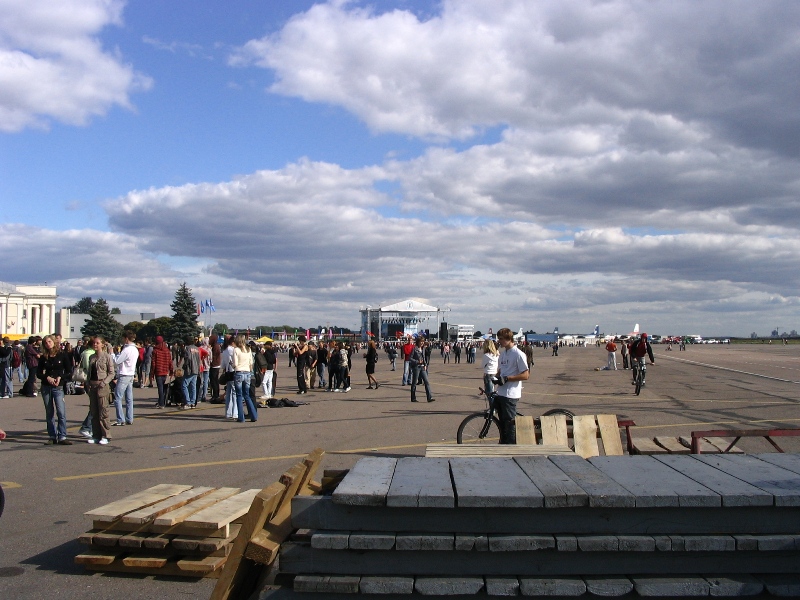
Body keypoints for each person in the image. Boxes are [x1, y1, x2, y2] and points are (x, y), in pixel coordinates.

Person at [492, 328, 530, 444]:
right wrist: (495, 378)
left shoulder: (518, 354)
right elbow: (501, 371)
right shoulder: (503, 354)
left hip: (511, 394)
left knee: (510, 425)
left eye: (501, 339)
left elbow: (525, 375)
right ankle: (504, 444)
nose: (499, 341)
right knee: (503, 425)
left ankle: (511, 447)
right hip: (501, 392)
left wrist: (508, 378)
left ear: (509, 339)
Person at [37, 335, 72, 445]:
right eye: (46, 342)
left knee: (61, 412)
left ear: (54, 342)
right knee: (49, 412)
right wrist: (46, 377)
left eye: (49, 341)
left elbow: (69, 371)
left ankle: (62, 436)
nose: (48, 344)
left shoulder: (62, 355)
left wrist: (60, 377)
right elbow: (38, 373)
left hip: (58, 387)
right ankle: (52, 436)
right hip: (46, 386)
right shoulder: (43, 357)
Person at [86, 336, 115, 445]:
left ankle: (106, 435)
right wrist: (88, 383)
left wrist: (104, 382)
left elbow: (111, 373)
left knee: (103, 412)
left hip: (102, 386)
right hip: (92, 386)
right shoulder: (92, 357)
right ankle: (96, 435)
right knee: (94, 412)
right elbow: (89, 372)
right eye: (94, 343)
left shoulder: (107, 357)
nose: (95, 344)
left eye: (97, 343)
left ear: (102, 344)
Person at [113, 331, 138, 425]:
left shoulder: (127, 350)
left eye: (123, 338)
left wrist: (113, 353)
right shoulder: (135, 349)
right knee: (129, 398)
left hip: (124, 374)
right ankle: (129, 418)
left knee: (117, 397)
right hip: (131, 374)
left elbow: (117, 361)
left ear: (126, 338)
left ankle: (120, 419)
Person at [233, 334, 257, 422]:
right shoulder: (248, 349)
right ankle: (254, 415)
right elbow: (251, 362)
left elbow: (235, 364)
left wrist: (232, 365)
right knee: (247, 395)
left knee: (239, 395)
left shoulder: (236, 350)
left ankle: (241, 417)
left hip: (239, 372)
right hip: (247, 372)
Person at [150, 336, 173, 409]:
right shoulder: (167, 351)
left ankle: (161, 403)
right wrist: (171, 371)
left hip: (158, 371)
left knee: (160, 388)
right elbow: (170, 361)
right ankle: (161, 401)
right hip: (165, 371)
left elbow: (153, 363)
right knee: (163, 388)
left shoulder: (155, 351)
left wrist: (152, 374)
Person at [409, 337, 434, 402]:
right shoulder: (414, 349)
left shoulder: (423, 348)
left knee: (426, 381)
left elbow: (424, 357)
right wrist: (417, 361)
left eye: (423, 341)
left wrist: (425, 365)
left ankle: (429, 397)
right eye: (421, 341)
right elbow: (410, 358)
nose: (422, 343)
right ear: (418, 342)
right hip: (416, 367)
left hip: (422, 367)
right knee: (414, 382)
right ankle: (413, 398)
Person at [182, 337, 201, 409]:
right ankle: (193, 402)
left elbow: (188, 358)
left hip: (190, 369)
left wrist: (185, 365)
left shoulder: (188, 348)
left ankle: (188, 402)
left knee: (184, 385)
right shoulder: (197, 349)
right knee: (193, 386)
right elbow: (199, 359)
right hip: (196, 369)